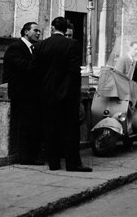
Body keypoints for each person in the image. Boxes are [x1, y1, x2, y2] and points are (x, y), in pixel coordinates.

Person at [31, 16, 92, 172]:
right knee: (71, 130)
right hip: (68, 95)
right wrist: (74, 93)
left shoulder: (40, 46)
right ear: (66, 30)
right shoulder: (72, 44)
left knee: (50, 129)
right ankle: (73, 164)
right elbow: (74, 72)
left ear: (52, 28)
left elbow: (35, 71)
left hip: (47, 94)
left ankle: (54, 164)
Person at [2, 21, 43, 165]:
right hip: (21, 94)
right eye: (35, 30)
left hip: (32, 94)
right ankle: (26, 157)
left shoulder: (34, 48)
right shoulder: (15, 48)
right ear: (26, 32)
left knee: (33, 125)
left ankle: (33, 155)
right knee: (25, 126)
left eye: (39, 31)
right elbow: (25, 67)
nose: (38, 33)